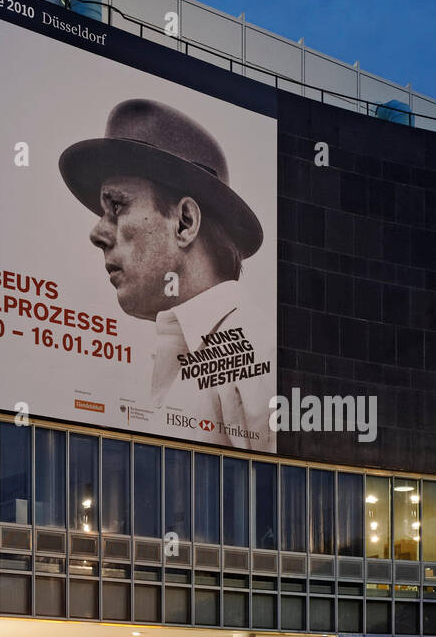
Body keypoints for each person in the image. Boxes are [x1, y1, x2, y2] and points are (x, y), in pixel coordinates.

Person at [59, 99, 274, 450]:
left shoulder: (258, 353)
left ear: (185, 222)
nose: (97, 234)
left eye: (117, 206)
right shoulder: (180, 358)